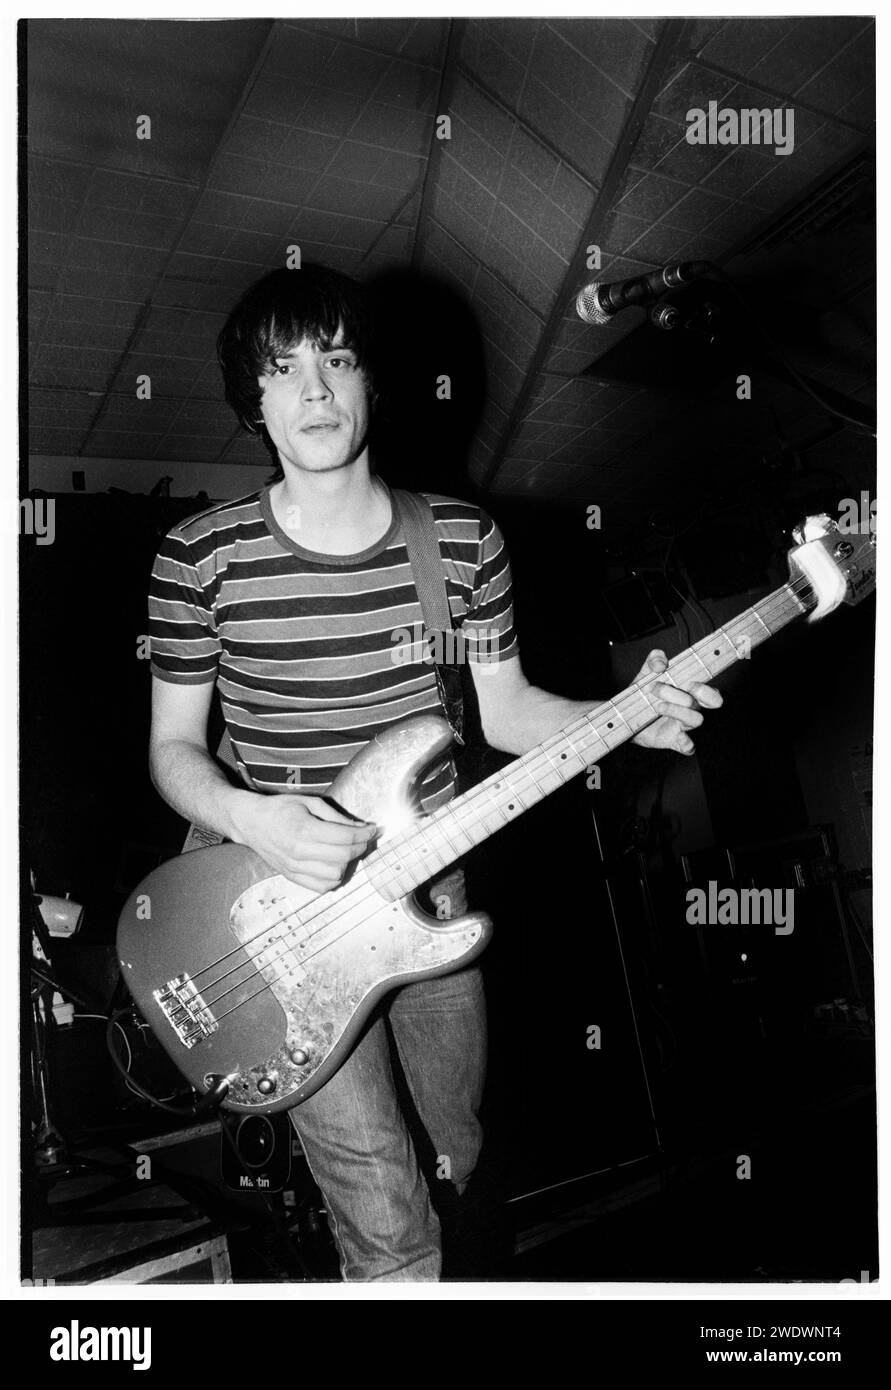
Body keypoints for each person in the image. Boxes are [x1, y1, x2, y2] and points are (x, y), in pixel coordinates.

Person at [147, 264, 722, 1281]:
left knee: (456, 1163)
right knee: (386, 1207)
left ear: (374, 381)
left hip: (428, 894)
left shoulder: (459, 540)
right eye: (283, 370)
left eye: (338, 359)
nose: (315, 391)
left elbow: (503, 711)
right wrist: (254, 816)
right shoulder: (200, 557)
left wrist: (622, 715)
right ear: (254, 399)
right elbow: (173, 751)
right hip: (275, 918)